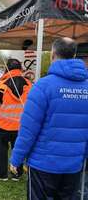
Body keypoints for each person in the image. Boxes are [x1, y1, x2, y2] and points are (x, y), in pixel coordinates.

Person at [10, 37, 88, 200]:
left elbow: (28, 129)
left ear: (53, 54)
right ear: (74, 55)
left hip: (43, 165)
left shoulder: (42, 86)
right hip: (74, 165)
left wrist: (16, 159)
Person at [0, 58, 32, 182]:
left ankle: (1, 174)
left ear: (7, 68)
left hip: (2, 125)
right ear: (20, 68)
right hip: (21, 125)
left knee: (1, 150)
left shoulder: (1, 84)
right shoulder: (29, 84)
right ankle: (17, 174)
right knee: (18, 149)